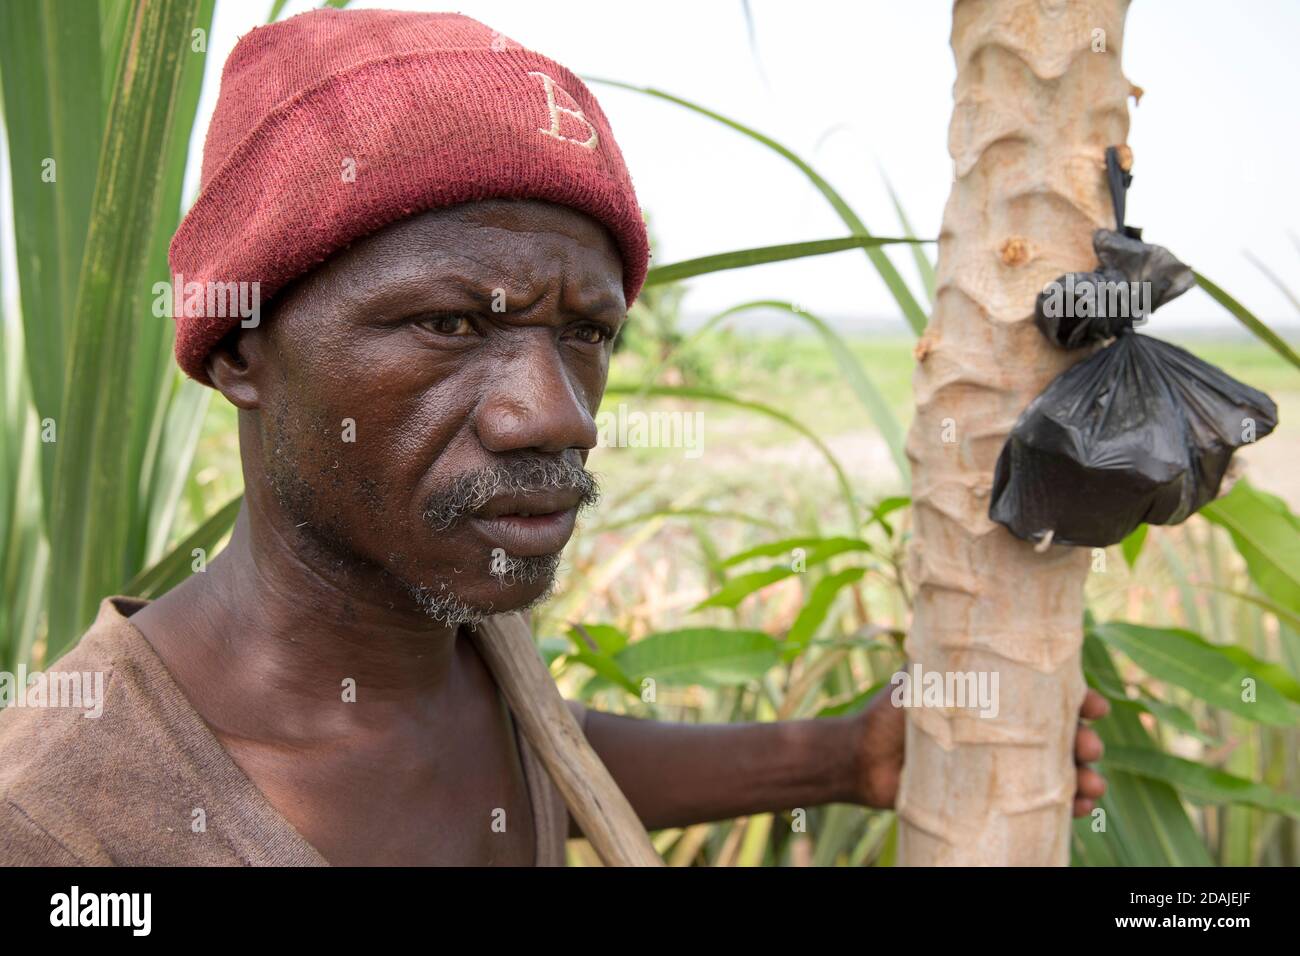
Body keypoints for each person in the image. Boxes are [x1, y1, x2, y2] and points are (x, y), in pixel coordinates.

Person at [0, 8, 1107, 866]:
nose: (561, 415)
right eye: (450, 323)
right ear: (242, 349)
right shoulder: (58, 820)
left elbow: (528, 751)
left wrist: (839, 756)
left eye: (585, 332)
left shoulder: (462, 638)